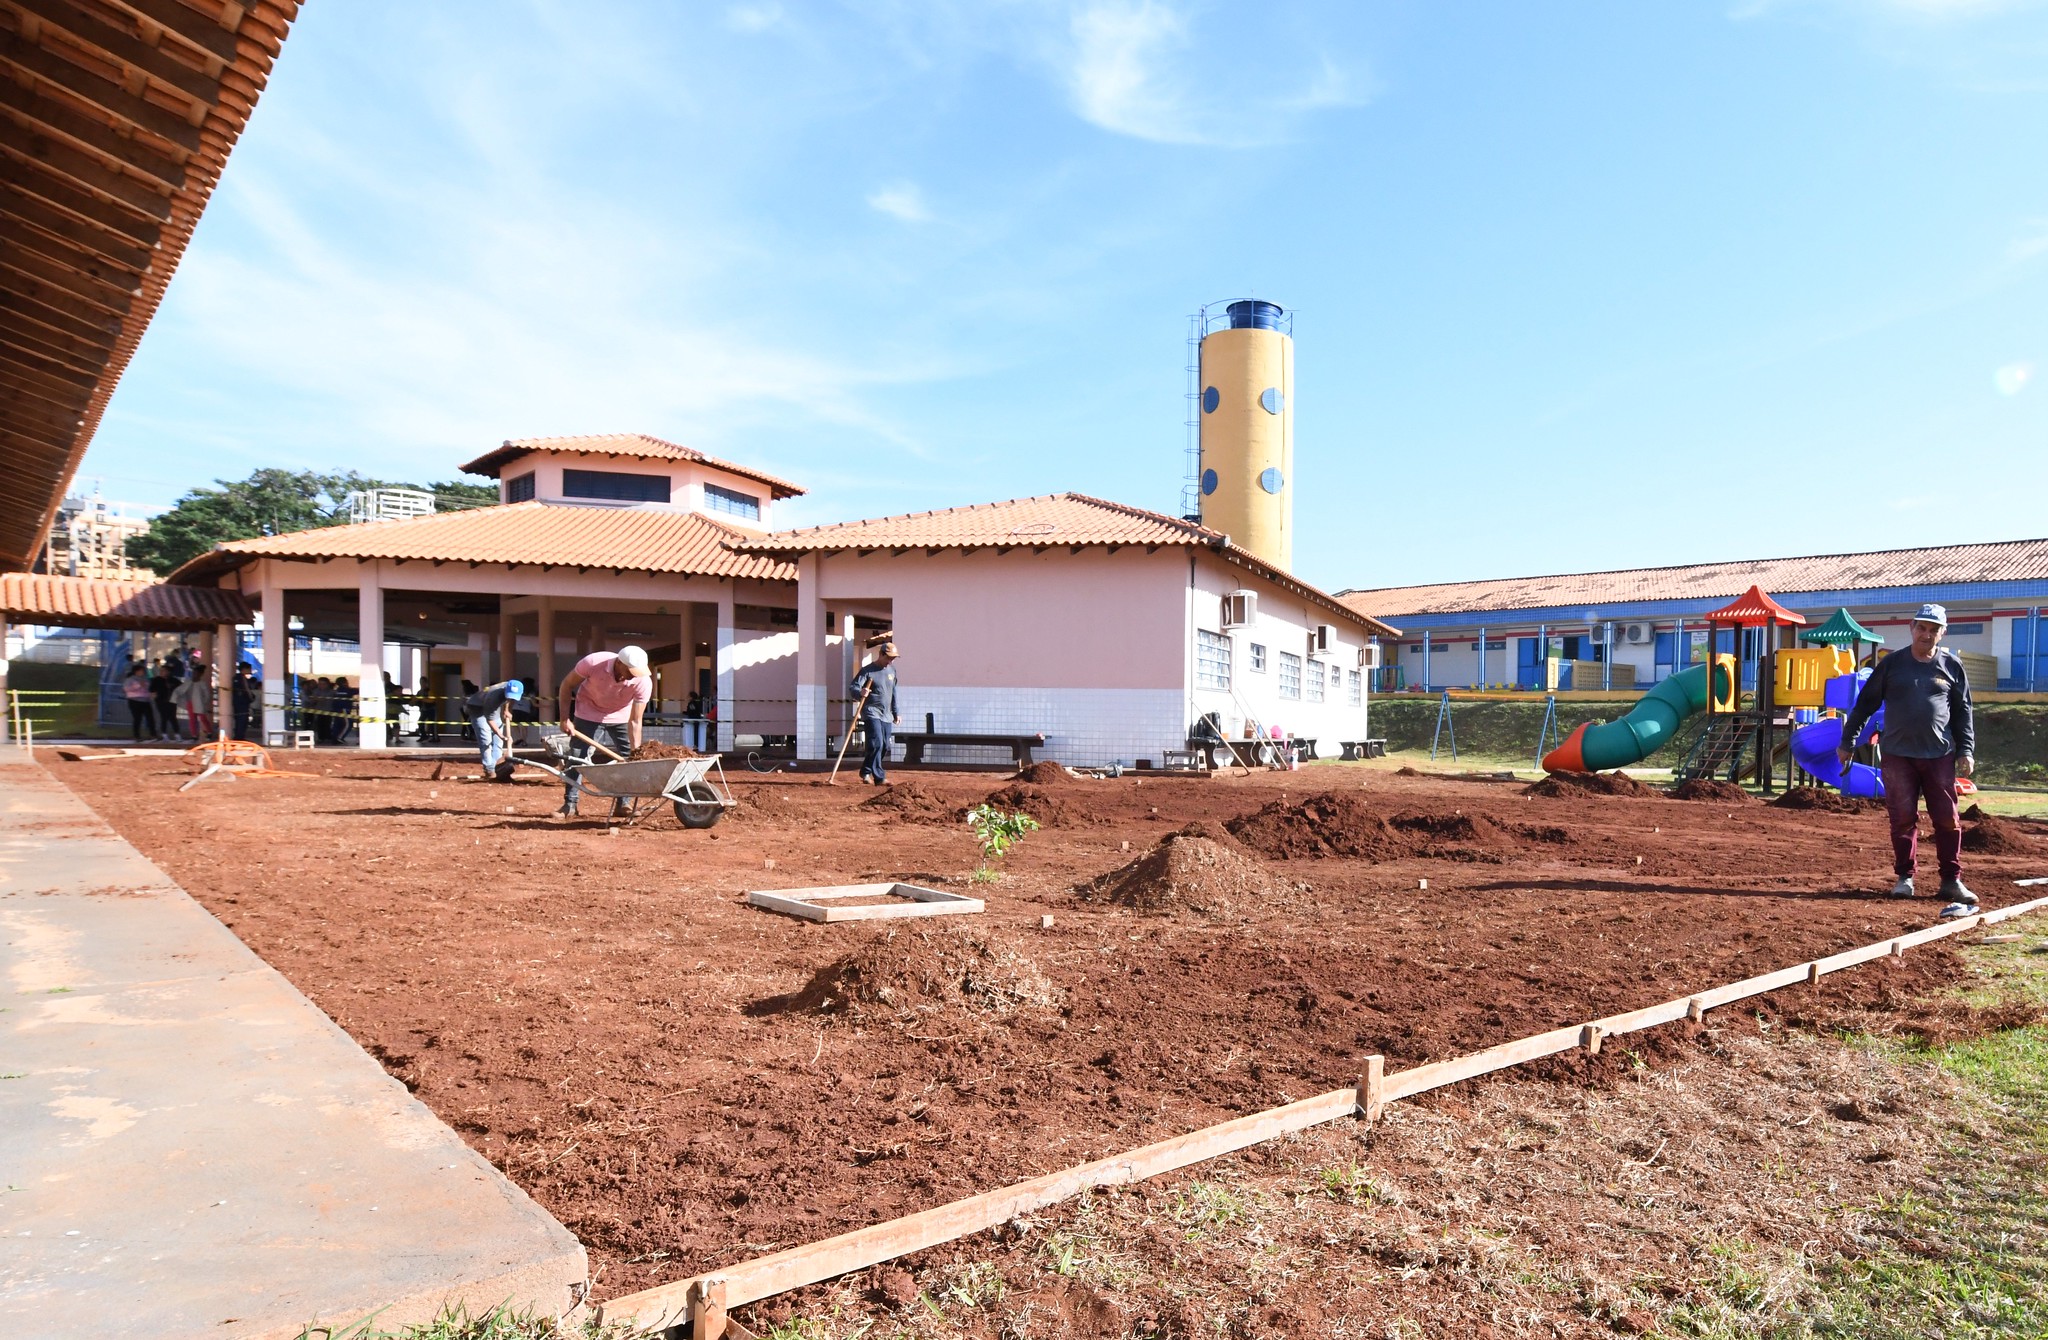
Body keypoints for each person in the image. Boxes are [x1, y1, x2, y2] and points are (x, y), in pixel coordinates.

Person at [1838, 603, 1977, 918]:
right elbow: (1864, 705)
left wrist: (1966, 749)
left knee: (1947, 819)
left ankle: (1951, 880)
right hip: (1897, 755)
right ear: (1912, 628)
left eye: (1934, 629)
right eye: (1922, 627)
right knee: (1902, 819)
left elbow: (1963, 712)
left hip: (1939, 754)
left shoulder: (1952, 666)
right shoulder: (1892, 665)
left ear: (1942, 632)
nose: (1927, 634)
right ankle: (1905, 877)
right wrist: (1847, 741)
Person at [554, 645, 653, 818]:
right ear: (620, 663)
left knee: (628, 758)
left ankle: (624, 804)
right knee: (577, 756)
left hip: (621, 716)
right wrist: (564, 719)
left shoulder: (643, 681)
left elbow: (636, 720)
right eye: (631, 671)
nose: (634, 675)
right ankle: (570, 804)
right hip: (587, 711)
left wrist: (634, 751)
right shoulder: (593, 662)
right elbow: (566, 685)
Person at [849, 637, 901, 785]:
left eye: (893, 659)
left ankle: (866, 771)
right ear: (881, 654)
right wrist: (861, 692)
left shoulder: (892, 670)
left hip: (886, 714)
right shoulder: (867, 671)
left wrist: (896, 712)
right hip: (871, 711)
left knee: (884, 745)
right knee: (876, 742)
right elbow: (853, 687)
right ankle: (879, 777)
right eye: (889, 658)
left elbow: (893, 692)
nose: (890, 661)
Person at [464, 677, 525, 781]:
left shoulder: (509, 687)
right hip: (477, 708)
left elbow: (509, 699)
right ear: (505, 690)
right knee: (486, 739)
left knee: (498, 741)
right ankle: (489, 769)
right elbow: (489, 719)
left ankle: (498, 767)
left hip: (492, 710)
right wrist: (501, 735)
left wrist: (507, 710)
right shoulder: (493, 697)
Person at [121, 660, 157, 741]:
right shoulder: (130, 679)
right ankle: (136, 736)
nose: (143, 672)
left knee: (150, 718)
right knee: (137, 718)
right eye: (141, 671)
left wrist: (150, 695)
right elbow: (126, 689)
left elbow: (147, 689)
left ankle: (153, 734)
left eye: (143, 671)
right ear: (136, 671)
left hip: (145, 700)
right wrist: (137, 686)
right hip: (134, 701)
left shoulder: (145, 679)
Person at [150, 659, 180, 739]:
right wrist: (154, 696)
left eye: (164, 671)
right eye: (161, 670)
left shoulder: (174, 680)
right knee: (164, 716)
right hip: (161, 701)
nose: (162, 672)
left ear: (168, 672)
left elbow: (180, 688)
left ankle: (177, 733)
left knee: (173, 717)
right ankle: (164, 733)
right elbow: (152, 690)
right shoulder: (156, 680)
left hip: (172, 701)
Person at [231, 664, 254, 741]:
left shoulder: (243, 678)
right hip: (241, 703)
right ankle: (239, 737)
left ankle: (241, 736)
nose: (250, 671)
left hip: (243, 703)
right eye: (249, 669)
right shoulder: (239, 678)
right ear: (244, 669)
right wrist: (250, 697)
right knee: (241, 720)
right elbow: (245, 691)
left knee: (243, 721)